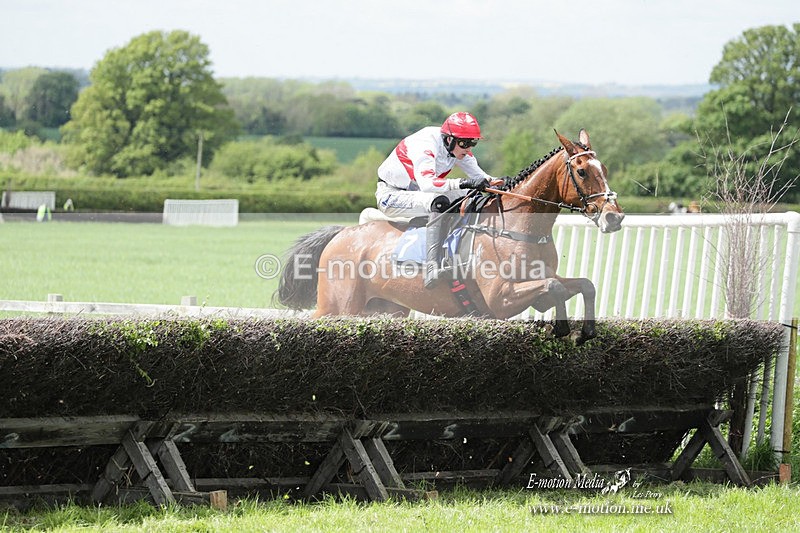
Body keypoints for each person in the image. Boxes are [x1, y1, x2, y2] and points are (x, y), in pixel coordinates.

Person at [376, 111, 502, 288]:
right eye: (465, 143)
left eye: (473, 143)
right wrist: (464, 182)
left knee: (471, 195)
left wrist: (504, 183)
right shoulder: (426, 145)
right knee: (440, 202)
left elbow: (482, 178)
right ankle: (432, 267)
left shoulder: (456, 148)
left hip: (418, 192)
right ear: (449, 139)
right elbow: (428, 184)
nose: (468, 149)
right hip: (392, 195)